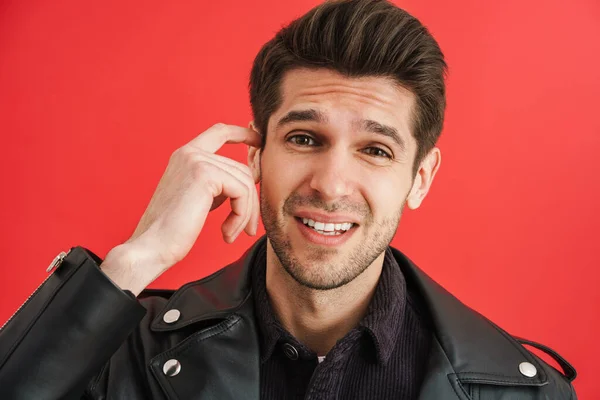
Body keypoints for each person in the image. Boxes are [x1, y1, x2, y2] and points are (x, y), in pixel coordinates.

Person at [0, 0, 577, 399]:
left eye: (375, 150)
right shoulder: (120, 350)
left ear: (420, 177)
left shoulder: (522, 390)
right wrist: (133, 260)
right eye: (304, 139)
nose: (330, 182)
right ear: (254, 155)